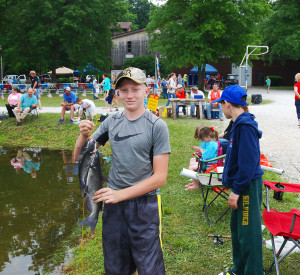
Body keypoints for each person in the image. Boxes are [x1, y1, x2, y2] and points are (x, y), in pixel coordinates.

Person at [74, 67, 171, 275]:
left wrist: (121, 194)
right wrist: (83, 136)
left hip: (146, 204)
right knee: (116, 266)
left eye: (135, 89)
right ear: (117, 93)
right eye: (124, 90)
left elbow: (160, 177)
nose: (129, 95)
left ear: (146, 90)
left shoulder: (157, 126)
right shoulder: (112, 121)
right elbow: (81, 157)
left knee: (149, 267)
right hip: (113, 205)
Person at [212, 85, 264, 275]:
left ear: (227, 103)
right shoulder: (237, 123)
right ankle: (239, 269)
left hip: (247, 186)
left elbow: (248, 165)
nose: (220, 108)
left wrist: (236, 191)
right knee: (238, 229)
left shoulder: (246, 127)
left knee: (248, 233)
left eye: (220, 104)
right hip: (240, 185)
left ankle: (253, 271)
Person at [185, 126, 219, 191]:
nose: (203, 141)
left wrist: (200, 150)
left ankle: (196, 185)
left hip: (210, 165)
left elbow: (205, 156)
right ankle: (195, 182)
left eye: (203, 139)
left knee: (191, 168)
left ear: (208, 137)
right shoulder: (212, 143)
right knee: (193, 164)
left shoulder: (212, 145)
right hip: (208, 162)